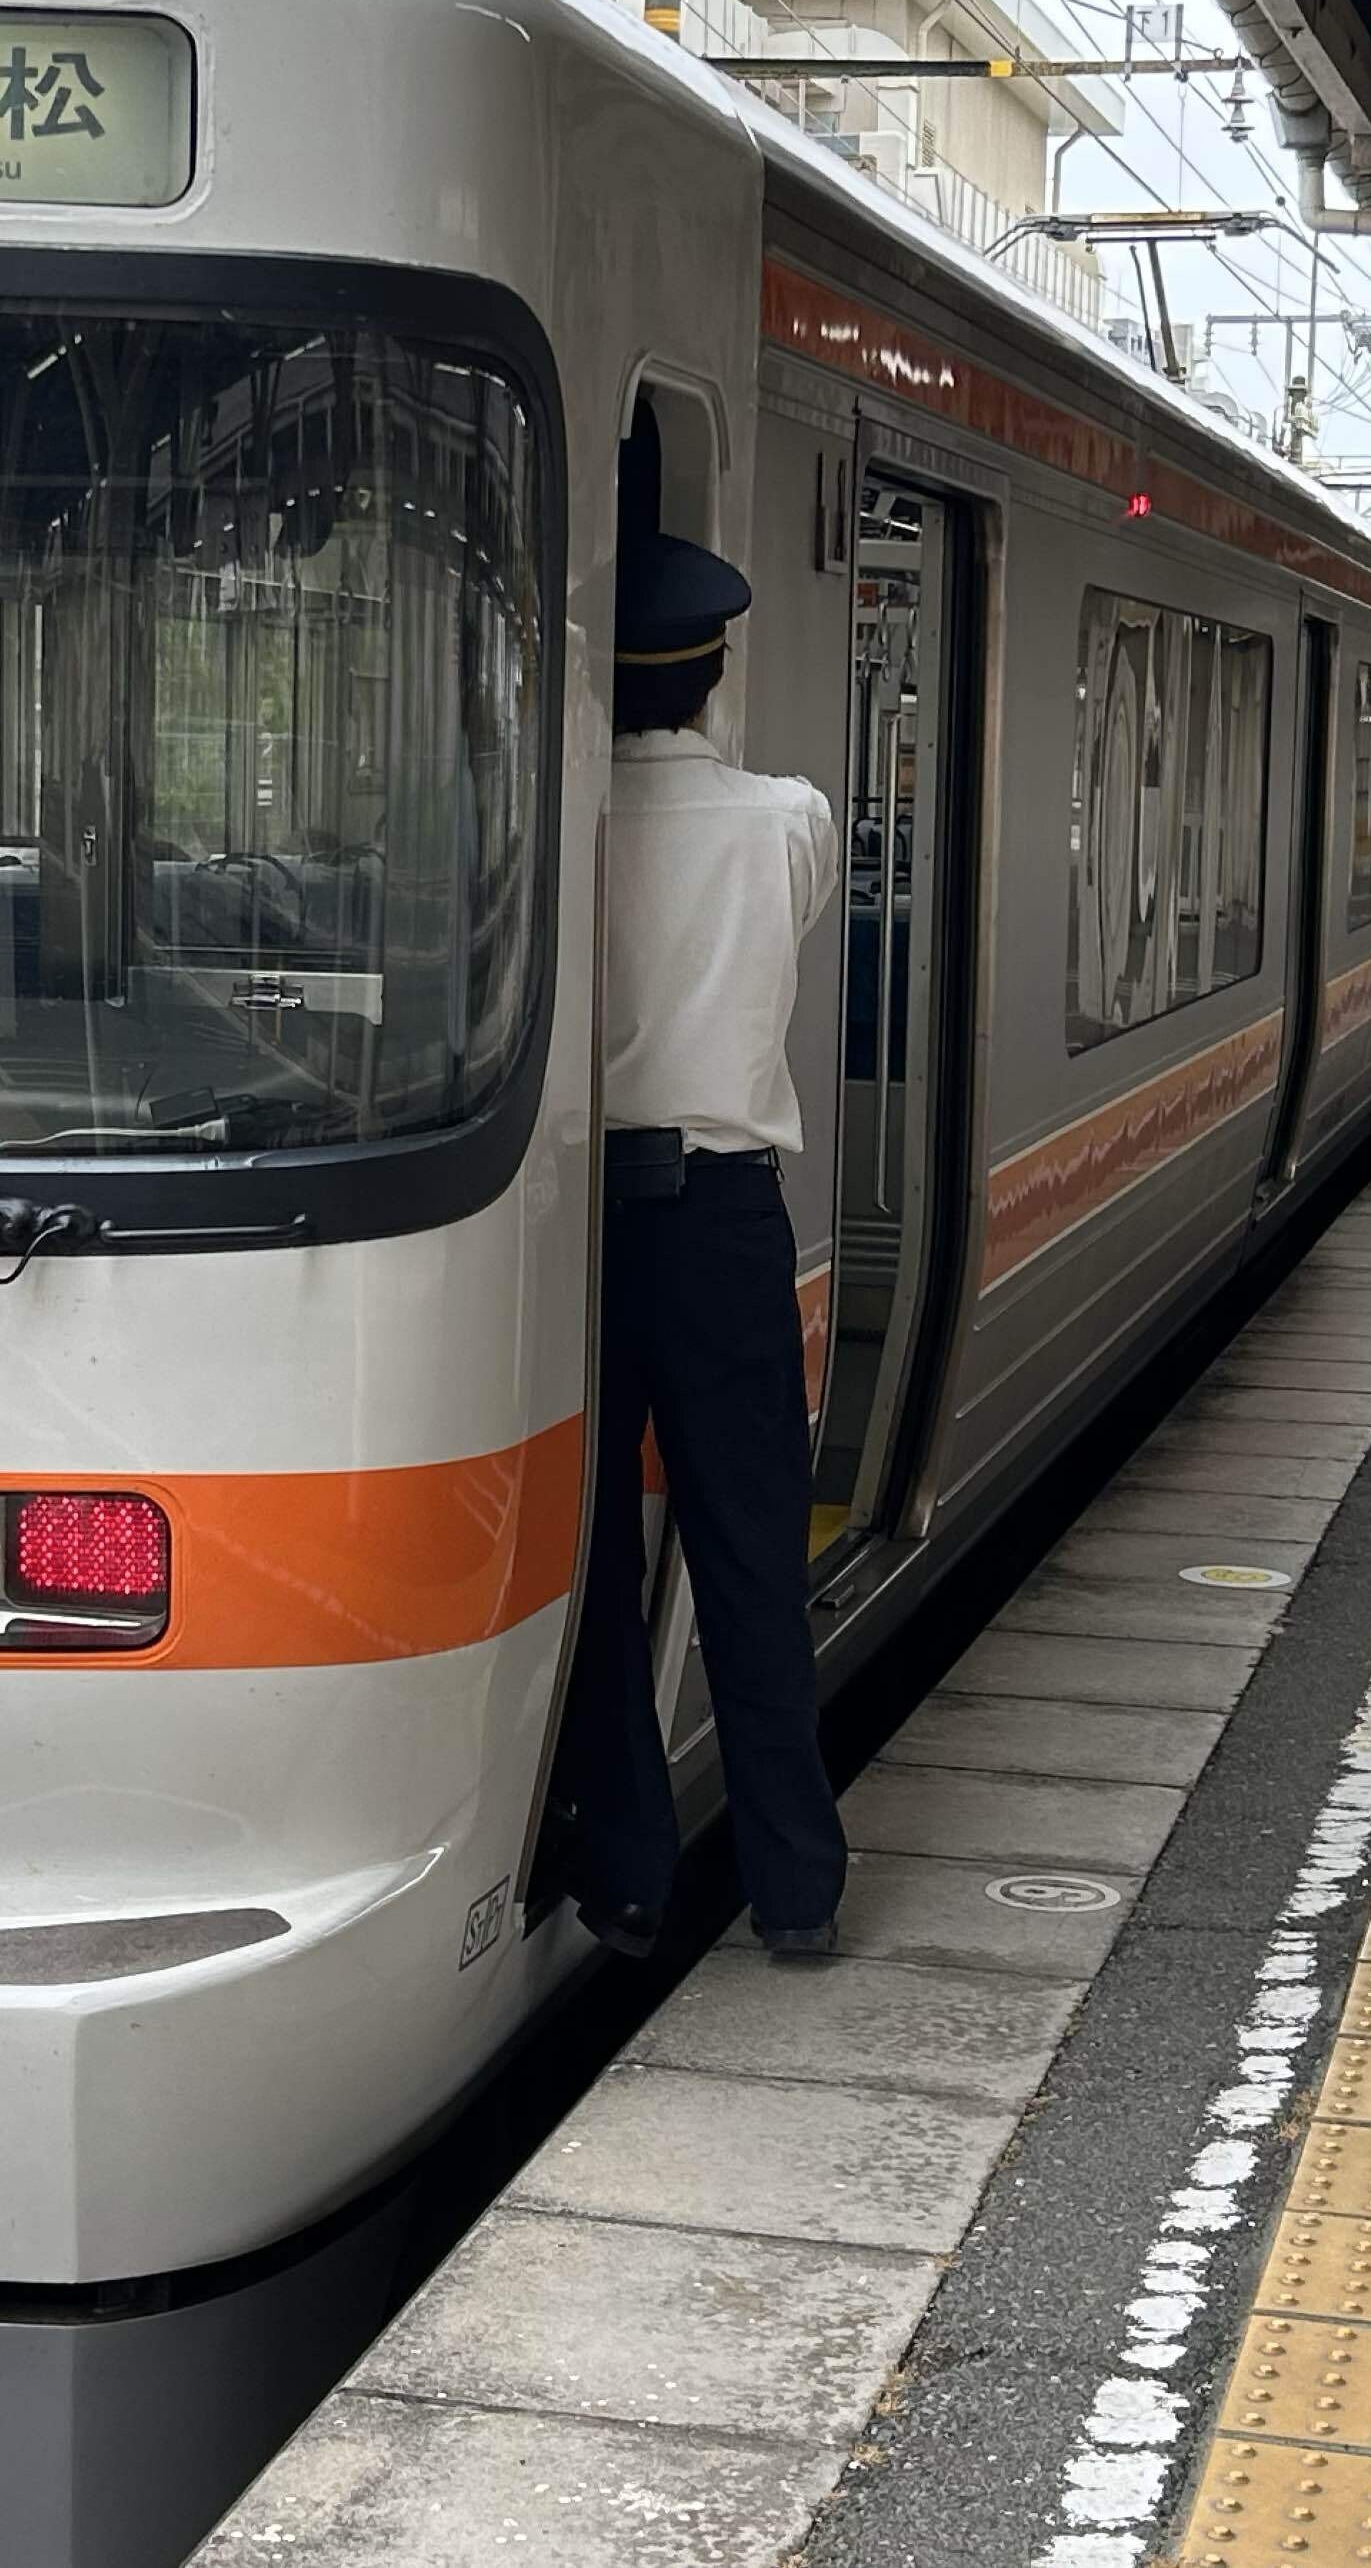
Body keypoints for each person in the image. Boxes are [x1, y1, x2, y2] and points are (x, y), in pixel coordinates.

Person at [558, 525, 849, 1962]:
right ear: (715, 673)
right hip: (728, 1223)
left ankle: (624, 1874)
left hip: (579, 1232)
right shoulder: (788, 819)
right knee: (747, 1553)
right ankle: (795, 1885)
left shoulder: (557, 825)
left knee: (597, 1549)